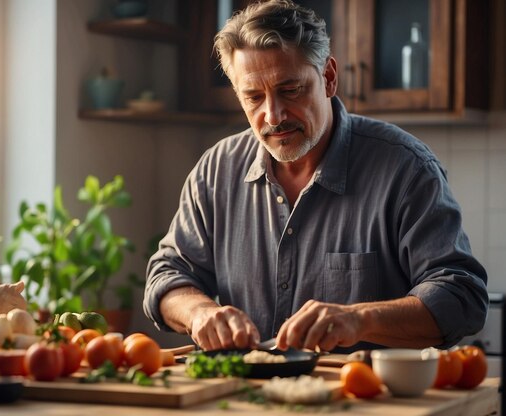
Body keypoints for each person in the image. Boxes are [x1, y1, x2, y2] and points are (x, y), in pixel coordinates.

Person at [143, 0, 488, 353]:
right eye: (253, 97)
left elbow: (462, 297)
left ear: (328, 78)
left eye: (290, 90)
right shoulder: (216, 170)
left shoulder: (406, 169)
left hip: (365, 400)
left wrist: (359, 319)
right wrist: (199, 313)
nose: (273, 116)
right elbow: (168, 275)